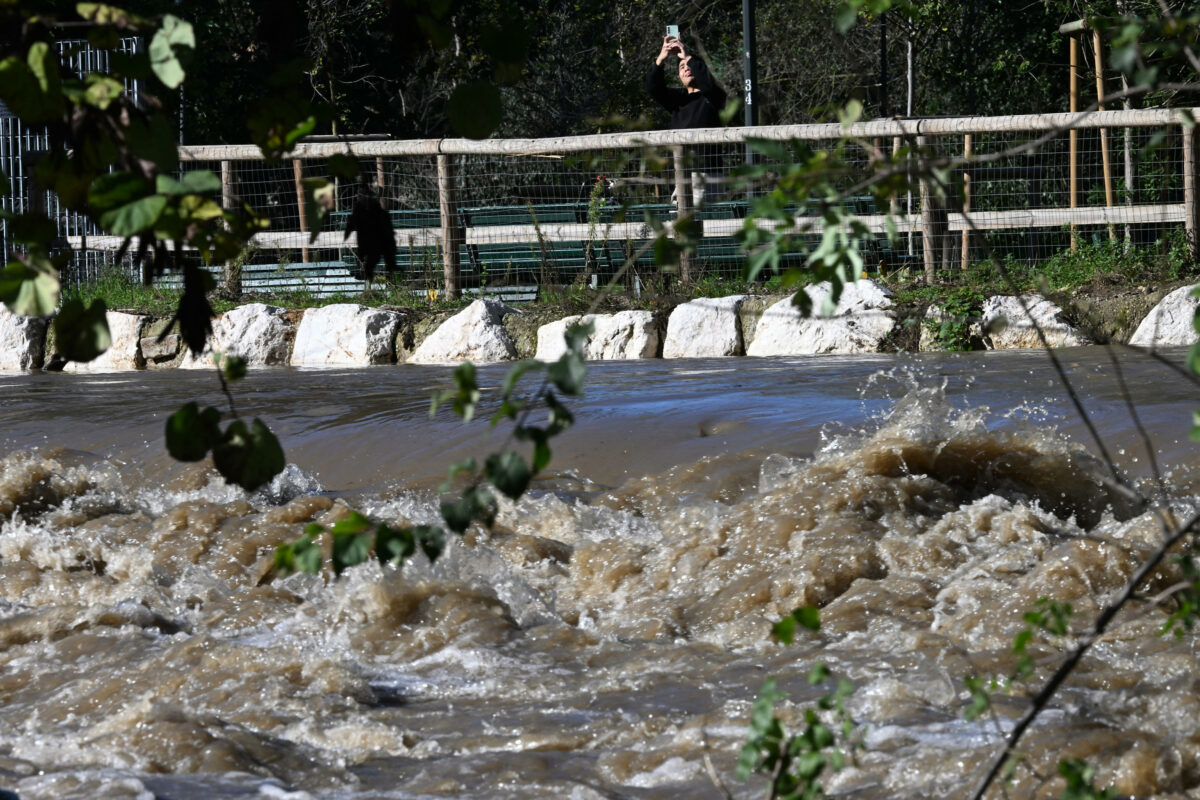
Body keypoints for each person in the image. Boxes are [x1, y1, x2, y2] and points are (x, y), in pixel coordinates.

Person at [645, 33, 727, 205]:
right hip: (681, 175)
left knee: (692, 223)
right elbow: (653, 88)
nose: (686, 68)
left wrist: (687, 56)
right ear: (679, 76)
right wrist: (661, 58)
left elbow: (709, 85)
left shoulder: (713, 96)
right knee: (679, 224)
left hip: (707, 174)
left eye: (689, 65)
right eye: (681, 67)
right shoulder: (678, 100)